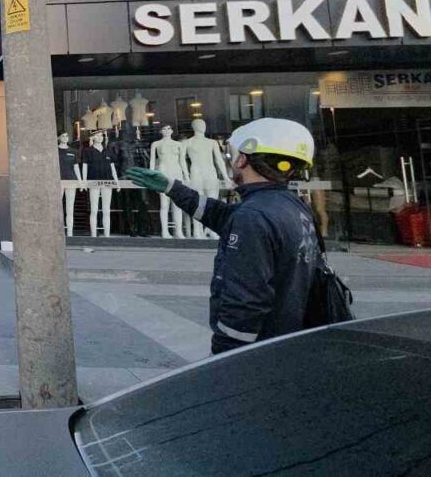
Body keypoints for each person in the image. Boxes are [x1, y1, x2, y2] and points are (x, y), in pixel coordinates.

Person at [127, 118, 320, 355]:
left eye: (234, 155)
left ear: (243, 160)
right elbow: (223, 216)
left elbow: (246, 302)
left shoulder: (253, 216)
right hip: (286, 339)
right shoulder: (289, 205)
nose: (232, 161)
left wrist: (224, 357)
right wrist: (173, 188)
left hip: (258, 352)